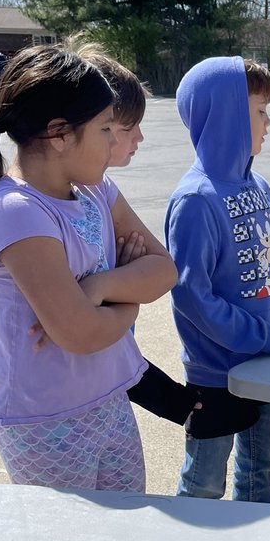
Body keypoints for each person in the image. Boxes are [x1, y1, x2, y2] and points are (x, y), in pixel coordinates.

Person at [0, 45, 177, 492]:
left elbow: (164, 269)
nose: (116, 141)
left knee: (126, 537)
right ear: (59, 134)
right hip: (44, 421)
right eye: (106, 128)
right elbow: (80, 334)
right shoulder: (15, 211)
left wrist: (100, 285)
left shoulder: (96, 192)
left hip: (108, 399)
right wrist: (128, 301)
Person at [165, 56, 270, 502]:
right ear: (227, 116)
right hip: (217, 376)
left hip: (267, 364)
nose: (268, 123)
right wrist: (269, 336)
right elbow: (194, 298)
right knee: (204, 480)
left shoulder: (260, 187)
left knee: (259, 470)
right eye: (259, 111)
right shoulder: (195, 200)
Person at [75, 43, 200, 427]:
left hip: (108, 390)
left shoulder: (101, 189)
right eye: (128, 128)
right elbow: (88, 327)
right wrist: (125, 284)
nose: (140, 137)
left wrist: (109, 286)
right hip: (75, 401)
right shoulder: (52, 205)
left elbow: (162, 270)